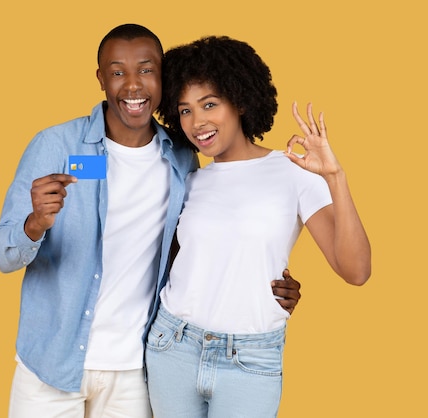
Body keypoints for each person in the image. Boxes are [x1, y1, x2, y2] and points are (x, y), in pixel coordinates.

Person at [0, 25, 303, 418]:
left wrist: (265, 285)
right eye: (118, 71)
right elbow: (4, 255)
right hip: (53, 363)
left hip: (137, 369)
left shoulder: (182, 157)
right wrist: (34, 223)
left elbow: (196, 245)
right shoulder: (56, 146)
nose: (133, 85)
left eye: (146, 69)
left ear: (163, 78)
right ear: (101, 79)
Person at [144, 36, 372, 418]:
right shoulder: (191, 178)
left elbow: (357, 270)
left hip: (250, 358)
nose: (196, 122)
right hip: (173, 346)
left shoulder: (294, 170)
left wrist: (335, 177)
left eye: (210, 104)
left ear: (242, 101)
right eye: (184, 110)